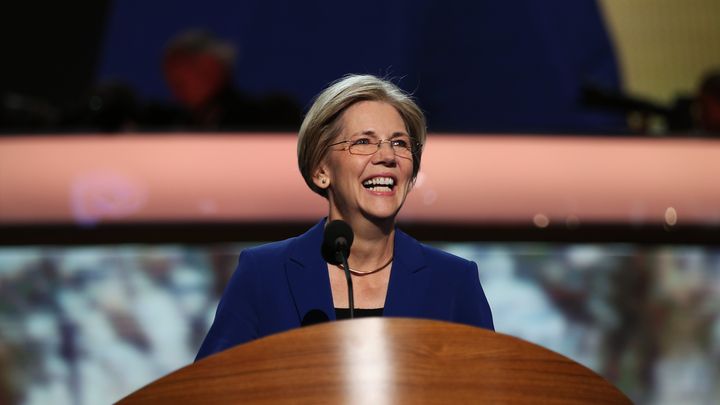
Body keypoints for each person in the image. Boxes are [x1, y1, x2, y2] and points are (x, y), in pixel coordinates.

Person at [195, 74, 494, 360]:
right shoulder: (263, 274)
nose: (387, 156)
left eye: (400, 143)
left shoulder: (454, 281)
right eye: (364, 142)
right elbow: (209, 390)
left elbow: (490, 392)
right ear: (321, 171)